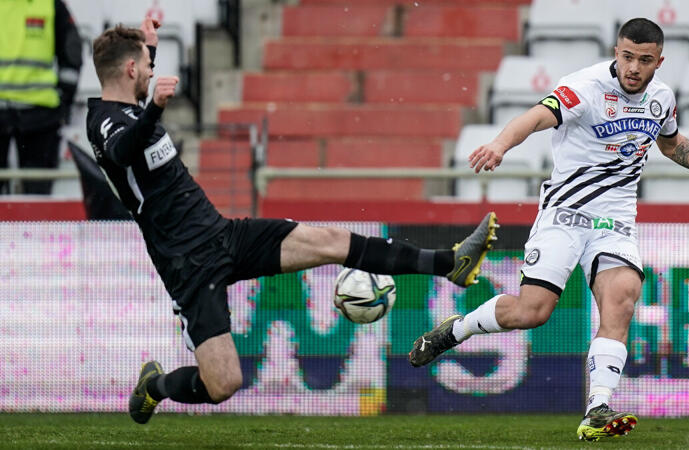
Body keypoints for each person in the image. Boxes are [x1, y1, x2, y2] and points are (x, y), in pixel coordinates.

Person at [85, 20, 499, 425]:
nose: (153, 69)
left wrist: (148, 48)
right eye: (147, 64)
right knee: (223, 383)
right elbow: (122, 150)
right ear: (130, 70)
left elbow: (135, 106)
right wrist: (155, 106)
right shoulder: (103, 122)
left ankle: (451, 262)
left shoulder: (129, 106)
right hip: (187, 265)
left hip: (223, 234)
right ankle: (154, 387)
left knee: (330, 240)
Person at [407, 18, 689, 441]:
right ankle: (457, 329)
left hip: (616, 221)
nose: (633, 68)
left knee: (621, 300)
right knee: (532, 311)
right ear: (616, 51)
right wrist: (499, 144)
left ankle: (596, 409)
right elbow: (535, 117)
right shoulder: (584, 88)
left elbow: (669, 143)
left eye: (644, 60)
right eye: (627, 57)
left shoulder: (661, 98)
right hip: (565, 214)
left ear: (660, 61)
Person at [0, 0, 82, 194]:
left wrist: (64, 98)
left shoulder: (51, 5)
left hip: (41, 116)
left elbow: (71, 50)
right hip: (27, 114)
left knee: (37, 198)